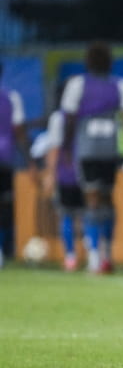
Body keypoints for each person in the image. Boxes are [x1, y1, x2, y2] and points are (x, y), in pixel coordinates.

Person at [60, 41, 123, 273]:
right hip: (110, 149)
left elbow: (69, 120)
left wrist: (67, 148)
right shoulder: (121, 85)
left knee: (92, 200)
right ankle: (107, 253)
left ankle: (93, 255)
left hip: (88, 149)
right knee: (108, 200)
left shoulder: (78, 84)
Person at [0, 62, 36, 268]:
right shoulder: (11, 98)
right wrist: (30, 162)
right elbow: (20, 133)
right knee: (3, 206)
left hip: (4, 159)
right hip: (4, 158)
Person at [42, 106, 84, 271]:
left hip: (67, 173)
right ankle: (93, 255)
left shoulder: (59, 118)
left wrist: (50, 174)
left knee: (68, 214)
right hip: (81, 171)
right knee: (85, 214)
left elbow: (54, 148)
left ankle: (71, 256)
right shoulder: (87, 113)